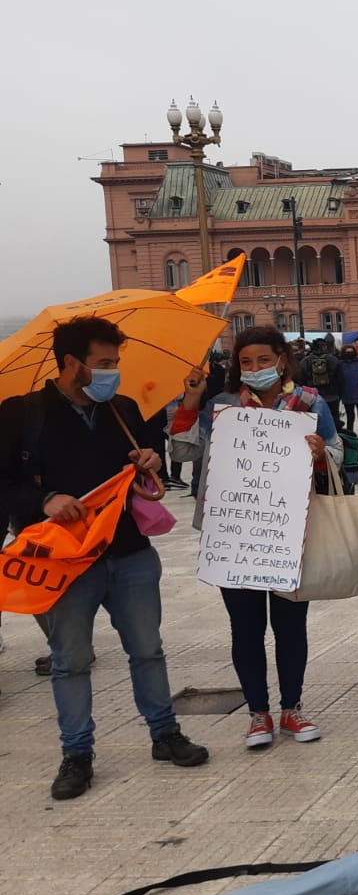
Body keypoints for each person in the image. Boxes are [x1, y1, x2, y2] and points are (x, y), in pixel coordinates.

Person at [0, 316, 209, 798]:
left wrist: (150, 462)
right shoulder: (22, 414)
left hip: (129, 551)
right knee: (69, 659)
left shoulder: (123, 409)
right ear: (72, 363)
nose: (113, 372)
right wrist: (45, 500)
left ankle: (164, 733)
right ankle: (76, 754)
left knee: (147, 650)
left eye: (116, 362)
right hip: (66, 563)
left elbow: (147, 465)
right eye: (104, 364)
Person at [184, 326, 338, 750]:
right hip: (235, 534)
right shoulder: (222, 407)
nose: (254, 369)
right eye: (246, 362)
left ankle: (292, 708)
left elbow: (339, 450)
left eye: (263, 361)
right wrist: (191, 399)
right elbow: (182, 453)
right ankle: (258, 714)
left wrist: (322, 454)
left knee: (291, 626)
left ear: (282, 360)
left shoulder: (309, 403)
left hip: (290, 534)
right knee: (245, 629)